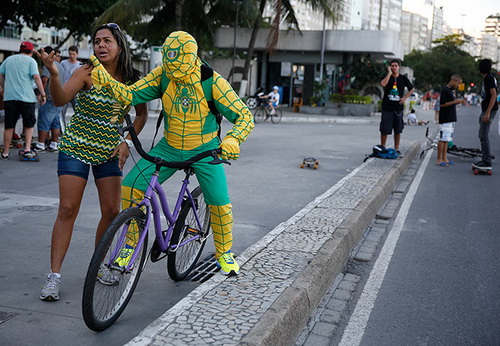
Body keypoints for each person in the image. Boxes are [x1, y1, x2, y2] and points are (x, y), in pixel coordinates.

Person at [91, 30, 254, 276]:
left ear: (193, 58)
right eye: (170, 67)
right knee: (131, 185)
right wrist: (108, 81)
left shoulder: (213, 81)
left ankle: (224, 253)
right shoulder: (163, 74)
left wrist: (233, 139)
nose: (174, 74)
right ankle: (129, 246)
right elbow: (132, 94)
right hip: (169, 146)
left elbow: (244, 116)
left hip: (205, 149)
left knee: (219, 202)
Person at [36, 23, 148, 301]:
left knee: (111, 212)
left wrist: (127, 142)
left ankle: (97, 266)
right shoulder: (87, 71)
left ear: (120, 45)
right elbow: (60, 99)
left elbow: (141, 115)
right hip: (76, 146)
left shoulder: (132, 78)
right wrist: (52, 74)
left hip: (109, 151)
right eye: (97, 41)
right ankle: (54, 277)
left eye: (107, 41)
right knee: (67, 209)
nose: (101, 46)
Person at [0, 41, 46, 160]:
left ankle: (5, 152)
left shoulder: (8, 60)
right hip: (27, 98)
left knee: (9, 125)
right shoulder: (31, 61)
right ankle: (27, 148)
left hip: (10, 97)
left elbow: (0, 74)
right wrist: (42, 93)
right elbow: (36, 77)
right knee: (29, 124)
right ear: (31, 52)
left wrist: (5, 87)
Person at [379, 59, 415, 155]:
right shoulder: (388, 77)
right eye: (392, 66)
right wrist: (389, 73)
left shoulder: (403, 78)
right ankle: (383, 147)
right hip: (387, 107)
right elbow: (383, 84)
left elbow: (412, 89)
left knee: (398, 129)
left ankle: (396, 148)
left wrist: (404, 98)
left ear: (399, 67)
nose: (394, 67)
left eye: (396, 66)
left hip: (398, 108)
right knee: (385, 129)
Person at [35, 46, 64, 152]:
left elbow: (44, 80)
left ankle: (41, 144)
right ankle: (54, 144)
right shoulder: (60, 66)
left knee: (44, 121)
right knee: (55, 123)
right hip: (58, 99)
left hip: (49, 98)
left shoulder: (49, 64)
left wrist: (41, 94)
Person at [473, 59, 498, 171]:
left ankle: (487, 161)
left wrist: (487, 112)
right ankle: (485, 157)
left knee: (483, 135)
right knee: (482, 134)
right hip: (487, 109)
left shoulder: (489, 78)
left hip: (489, 110)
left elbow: (493, 95)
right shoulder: (489, 78)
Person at [436, 74, 465, 167]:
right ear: (453, 81)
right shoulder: (445, 90)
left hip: (451, 118)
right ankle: (439, 159)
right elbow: (443, 104)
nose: (458, 86)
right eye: (458, 83)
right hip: (445, 118)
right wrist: (455, 102)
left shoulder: (452, 91)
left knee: (447, 140)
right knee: (442, 139)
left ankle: (445, 157)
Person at [59, 45, 80, 131]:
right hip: (65, 90)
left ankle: (78, 130)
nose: (71, 56)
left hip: (76, 91)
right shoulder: (63, 63)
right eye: (70, 54)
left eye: (73, 54)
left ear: (77, 54)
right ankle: (63, 131)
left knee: (79, 112)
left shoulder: (79, 65)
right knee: (61, 112)